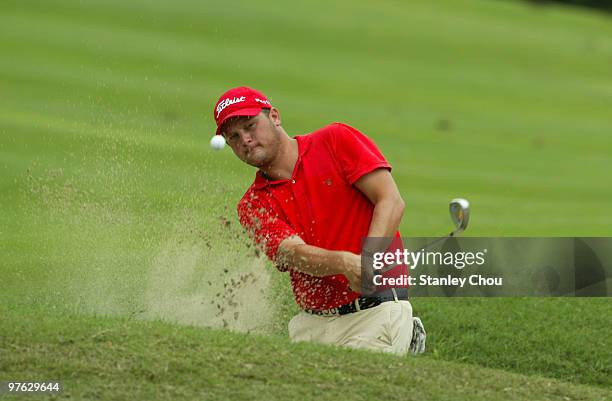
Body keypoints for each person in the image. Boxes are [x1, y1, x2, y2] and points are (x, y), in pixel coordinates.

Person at [212, 86, 425, 355]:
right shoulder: (253, 205)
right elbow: (292, 253)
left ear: (275, 117)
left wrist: (369, 260)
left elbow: (391, 201)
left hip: (374, 313)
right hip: (311, 327)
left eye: (251, 125)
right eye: (234, 136)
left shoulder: (335, 140)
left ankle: (402, 333)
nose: (246, 139)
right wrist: (345, 263)